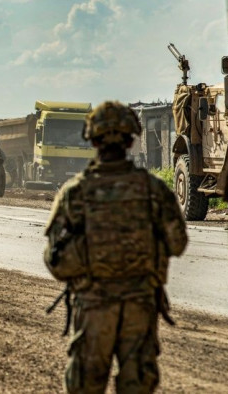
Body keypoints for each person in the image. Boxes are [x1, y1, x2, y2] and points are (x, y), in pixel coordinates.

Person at [43, 101, 187, 394]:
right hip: (140, 306)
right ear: (132, 141)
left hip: (93, 307)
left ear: (93, 140)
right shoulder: (153, 190)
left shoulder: (75, 193)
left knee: (85, 385)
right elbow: (177, 242)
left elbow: (56, 262)